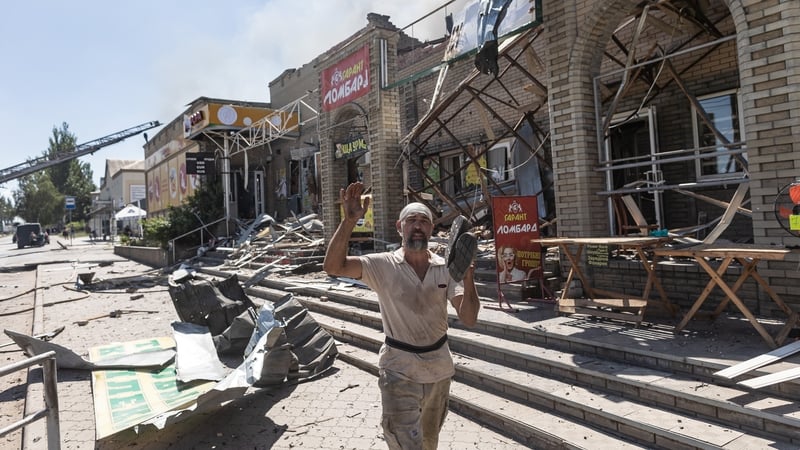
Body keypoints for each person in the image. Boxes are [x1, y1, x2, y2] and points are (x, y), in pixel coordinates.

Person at [323, 182, 480, 450]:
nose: (417, 225)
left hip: (438, 370)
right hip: (398, 370)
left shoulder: (445, 269)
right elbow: (333, 267)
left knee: (429, 444)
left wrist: (468, 279)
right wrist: (349, 222)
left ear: (432, 229)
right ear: (400, 227)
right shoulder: (382, 265)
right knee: (406, 446)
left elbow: (469, 318)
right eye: (411, 220)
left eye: (424, 221)